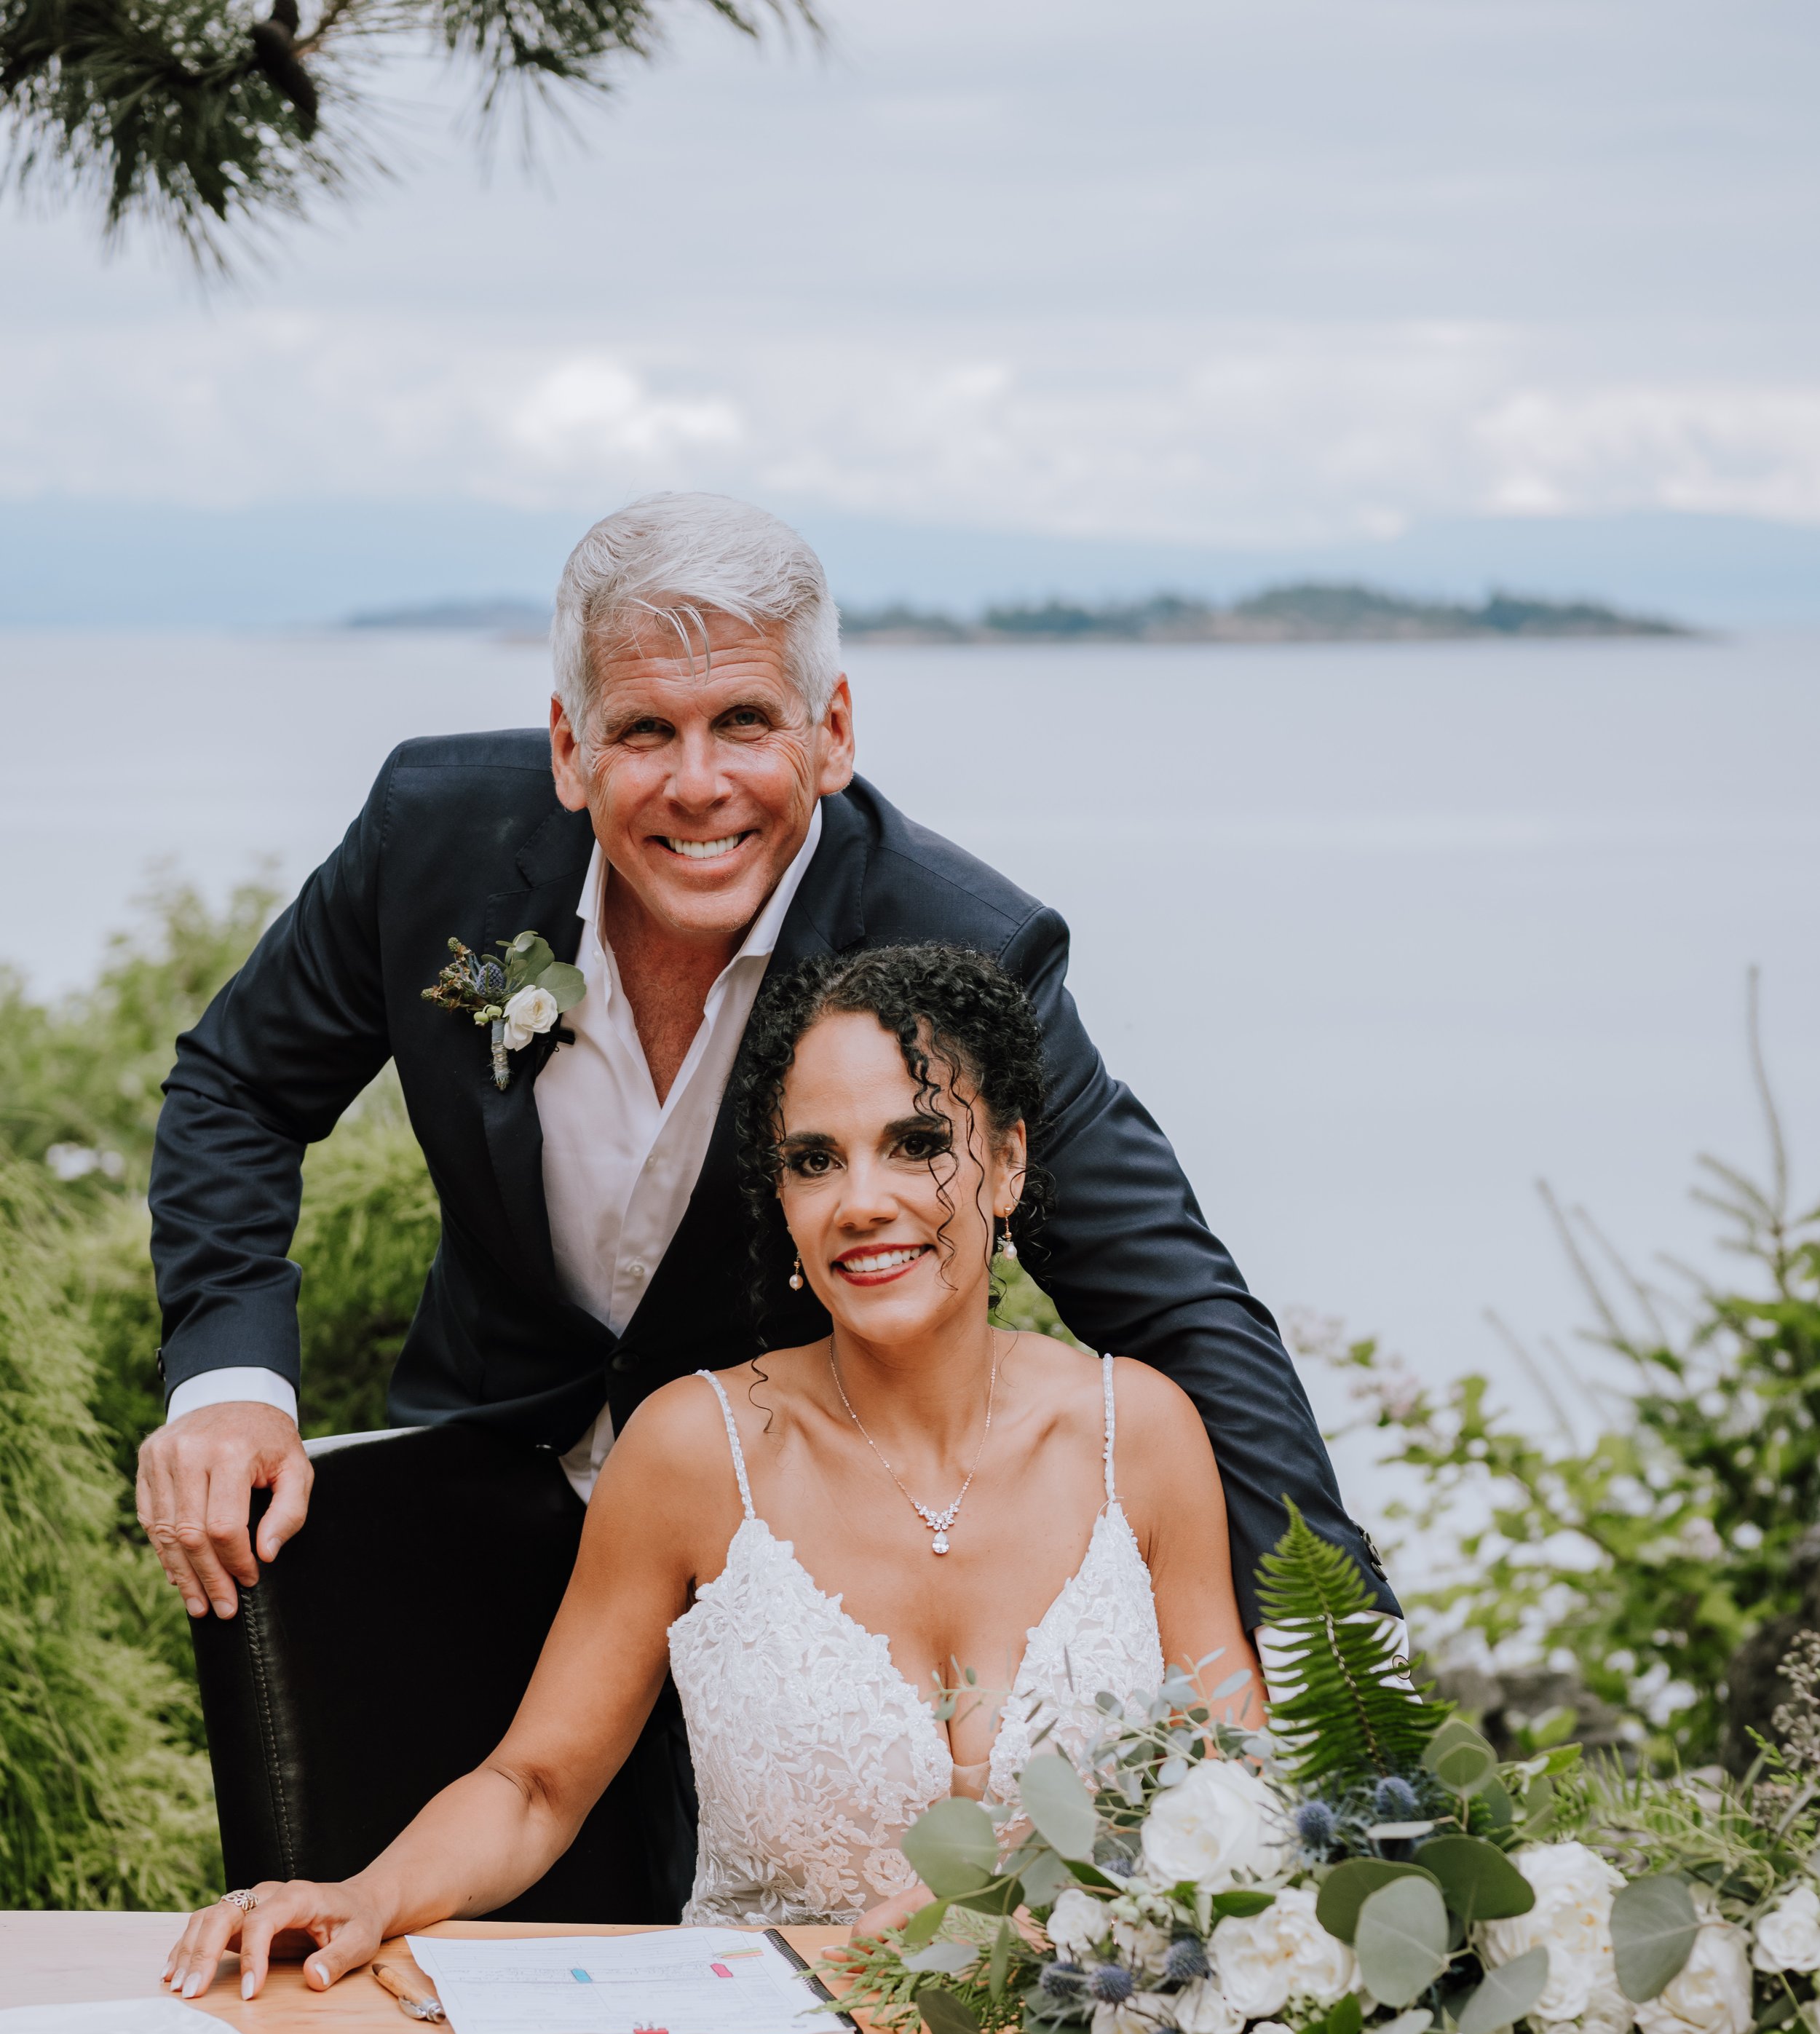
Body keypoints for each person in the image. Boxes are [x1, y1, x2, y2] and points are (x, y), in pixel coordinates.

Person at [160, 943, 1457, 2034]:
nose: (866, 1200)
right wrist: (360, 1894)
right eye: (812, 1159)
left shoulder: (1137, 1433)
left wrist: (1067, 1902)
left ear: (1011, 1163)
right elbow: (534, 1784)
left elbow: (1239, 1788)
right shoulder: (687, 1450)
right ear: (776, 1204)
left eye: (919, 1143)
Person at [137, 491, 1389, 1911]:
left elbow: (1170, 1298)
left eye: (744, 722)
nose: (695, 782)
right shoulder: (434, 842)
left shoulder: (957, 944)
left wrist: (1360, 1701)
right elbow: (237, 1086)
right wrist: (231, 1379)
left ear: (831, 732)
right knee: (423, 1979)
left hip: (783, 1567)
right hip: (473, 1496)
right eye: (641, 732)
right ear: (567, 745)